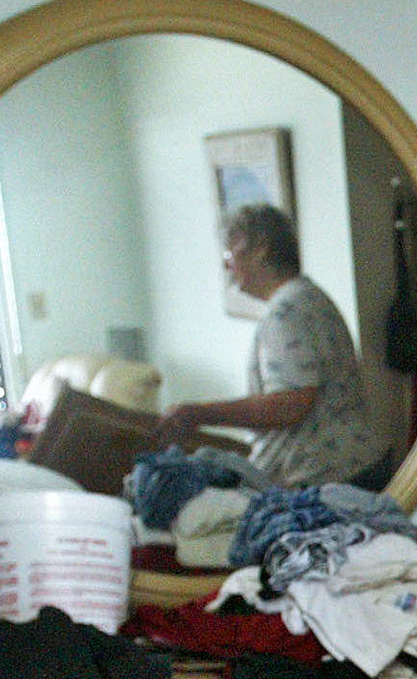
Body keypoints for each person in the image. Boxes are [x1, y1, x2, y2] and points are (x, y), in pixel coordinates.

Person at [157, 203, 396, 489]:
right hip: (354, 464)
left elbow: (290, 405)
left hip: (330, 475)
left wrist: (199, 413)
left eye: (230, 253)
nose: (226, 265)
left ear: (261, 249)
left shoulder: (286, 311)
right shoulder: (309, 297)